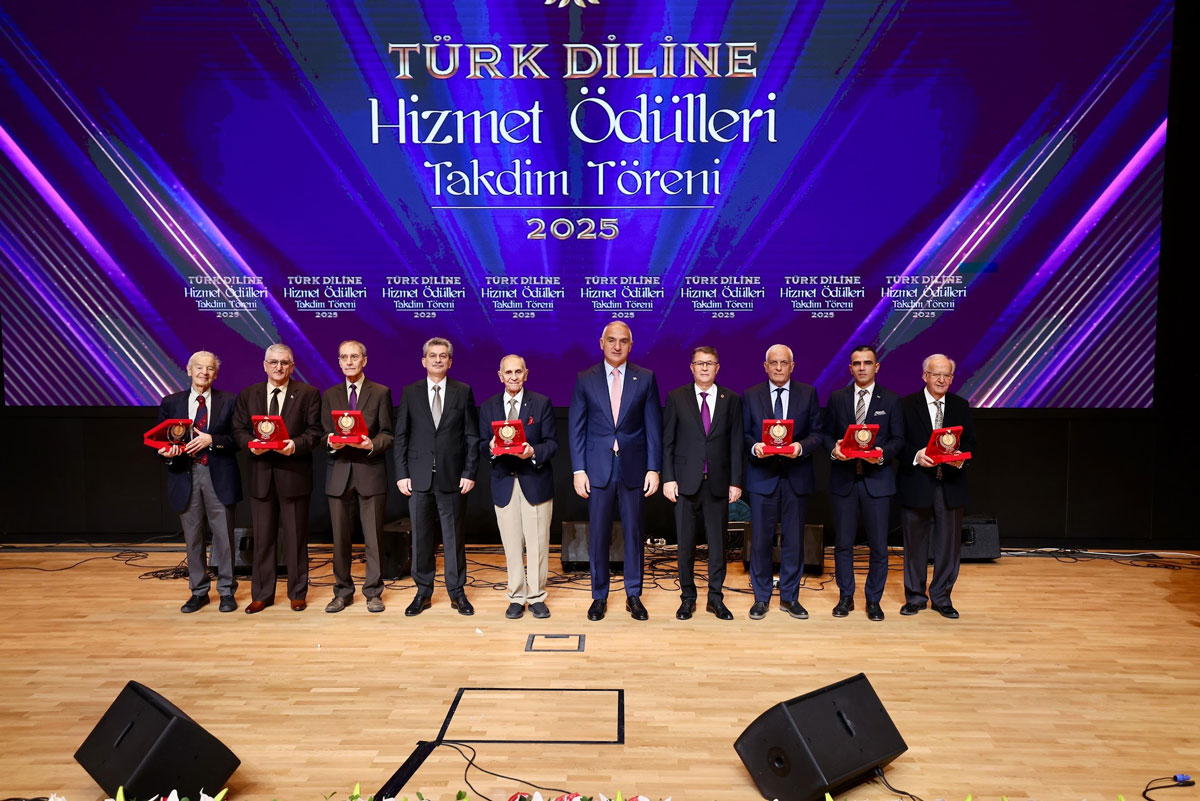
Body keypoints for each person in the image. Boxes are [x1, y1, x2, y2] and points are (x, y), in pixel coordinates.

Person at [569, 321, 662, 621]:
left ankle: (633, 594)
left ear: (631, 345)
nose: (617, 346)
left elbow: (653, 427)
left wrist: (654, 468)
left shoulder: (645, 377)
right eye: (611, 340)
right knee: (598, 535)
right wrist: (578, 470)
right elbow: (577, 428)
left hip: (634, 468)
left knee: (634, 534)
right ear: (602, 343)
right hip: (597, 469)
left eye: (623, 341)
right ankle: (599, 596)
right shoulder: (585, 378)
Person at [233, 344, 322, 613]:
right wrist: (251, 445)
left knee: (296, 539)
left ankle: (297, 593)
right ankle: (262, 594)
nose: (278, 367)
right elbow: (238, 430)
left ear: (292, 366)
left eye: (284, 362)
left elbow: (315, 431)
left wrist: (294, 445)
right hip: (261, 476)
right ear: (265, 365)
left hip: (294, 474)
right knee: (262, 539)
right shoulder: (249, 394)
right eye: (273, 362)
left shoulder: (308, 393)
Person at [394, 337, 480, 616]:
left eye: (443, 356)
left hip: (452, 477)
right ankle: (423, 591)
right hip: (418, 478)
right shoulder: (411, 392)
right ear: (424, 361)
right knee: (421, 537)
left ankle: (457, 592)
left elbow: (471, 436)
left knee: (453, 538)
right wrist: (401, 473)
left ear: (450, 361)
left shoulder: (463, 391)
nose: (438, 360)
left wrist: (469, 472)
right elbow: (401, 436)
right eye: (433, 355)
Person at [741, 344, 825, 620]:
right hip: (762, 477)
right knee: (760, 542)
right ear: (765, 367)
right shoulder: (750, 395)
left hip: (796, 477)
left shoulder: (808, 393)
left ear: (792, 366)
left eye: (784, 363)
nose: (778, 367)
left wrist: (800, 447)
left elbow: (818, 433)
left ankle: (790, 598)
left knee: (794, 541)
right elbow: (743, 434)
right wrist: (755, 447)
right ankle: (761, 598)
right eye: (773, 363)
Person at [822, 345, 904, 622]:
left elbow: (898, 440)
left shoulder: (891, 400)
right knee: (843, 544)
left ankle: (873, 600)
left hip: (877, 482)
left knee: (879, 546)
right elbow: (825, 435)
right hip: (844, 481)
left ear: (876, 367)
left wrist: (881, 454)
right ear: (850, 368)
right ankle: (846, 597)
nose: (862, 367)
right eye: (857, 363)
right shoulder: (837, 398)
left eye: (867, 363)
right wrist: (834, 450)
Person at [662, 346, 743, 621]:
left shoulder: (731, 399)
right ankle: (687, 598)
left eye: (709, 363)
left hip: (718, 483)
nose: (705, 368)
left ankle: (715, 599)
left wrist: (736, 481)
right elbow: (668, 442)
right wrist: (668, 477)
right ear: (692, 367)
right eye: (700, 363)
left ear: (717, 367)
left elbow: (736, 443)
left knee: (718, 546)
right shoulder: (676, 397)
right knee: (685, 545)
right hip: (685, 483)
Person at [157, 351, 242, 613]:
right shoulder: (171, 403)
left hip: (218, 475)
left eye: (210, 368)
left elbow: (239, 439)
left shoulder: (230, 401)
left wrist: (212, 440)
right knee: (193, 537)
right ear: (189, 370)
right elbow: (160, 440)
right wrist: (166, 452)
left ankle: (226, 591)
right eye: (199, 367)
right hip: (185, 474)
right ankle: (199, 591)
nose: (204, 372)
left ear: (216, 374)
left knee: (223, 537)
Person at [897, 353, 976, 619]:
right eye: (936, 374)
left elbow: (971, 443)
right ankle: (915, 597)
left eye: (947, 375)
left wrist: (961, 459)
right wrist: (916, 455)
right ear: (925, 376)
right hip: (917, 483)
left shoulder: (960, 405)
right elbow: (897, 443)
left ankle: (942, 597)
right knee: (914, 545)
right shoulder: (906, 405)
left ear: (951, 379)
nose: (941, 380)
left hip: (950, 485)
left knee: (949, 546)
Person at [479, 355, 558, 619]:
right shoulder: (488, 406)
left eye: (518, 372)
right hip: (504, 483)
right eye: (508, 372)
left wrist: (533, 451)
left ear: (526, 374)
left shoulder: (541, 403)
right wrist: (490, 448)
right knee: (511, 545)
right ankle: (516, 596)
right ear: (500, 376)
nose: (513, 377)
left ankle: (536, 597)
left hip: (535, 482)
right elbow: (480, 444)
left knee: (537, 545)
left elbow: (552, 444)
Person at [321, 340, 394, 614]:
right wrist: (331, 441)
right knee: (340, 540)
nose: (349, 361)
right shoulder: (330, 394)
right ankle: (342, 592)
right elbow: (323, 434)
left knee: (373, 538)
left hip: (370, 472)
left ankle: (373, 593)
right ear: (339, 362)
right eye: (344, 357)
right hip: (339, 473)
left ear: (364, 360)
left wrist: (371, 444)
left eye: (354, 357)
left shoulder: (381, 392)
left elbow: (388, 434)